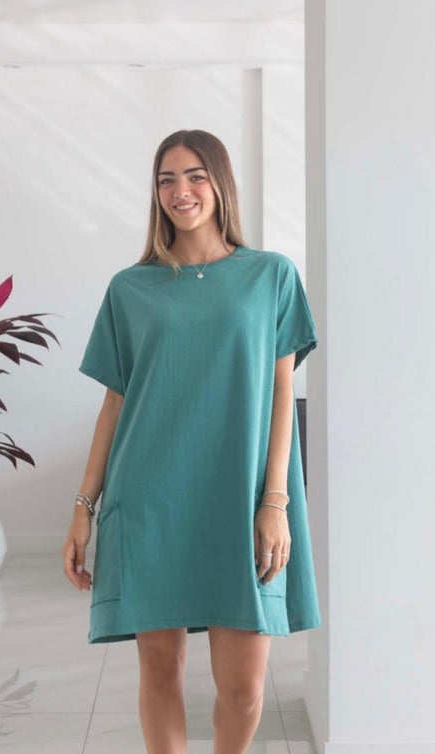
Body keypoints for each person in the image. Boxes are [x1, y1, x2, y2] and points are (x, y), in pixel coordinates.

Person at [62, 129, 321, 753]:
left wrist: (275, 501)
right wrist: (83, 508)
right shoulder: (130, 288)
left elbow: (281, 394)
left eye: (196, 175)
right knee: (160, 670)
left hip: (240, 496)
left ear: (220, 183)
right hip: (149, 498)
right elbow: (115, 404)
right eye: (167, 180)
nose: (181, 191)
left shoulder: (271, 276)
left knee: (244, 690)